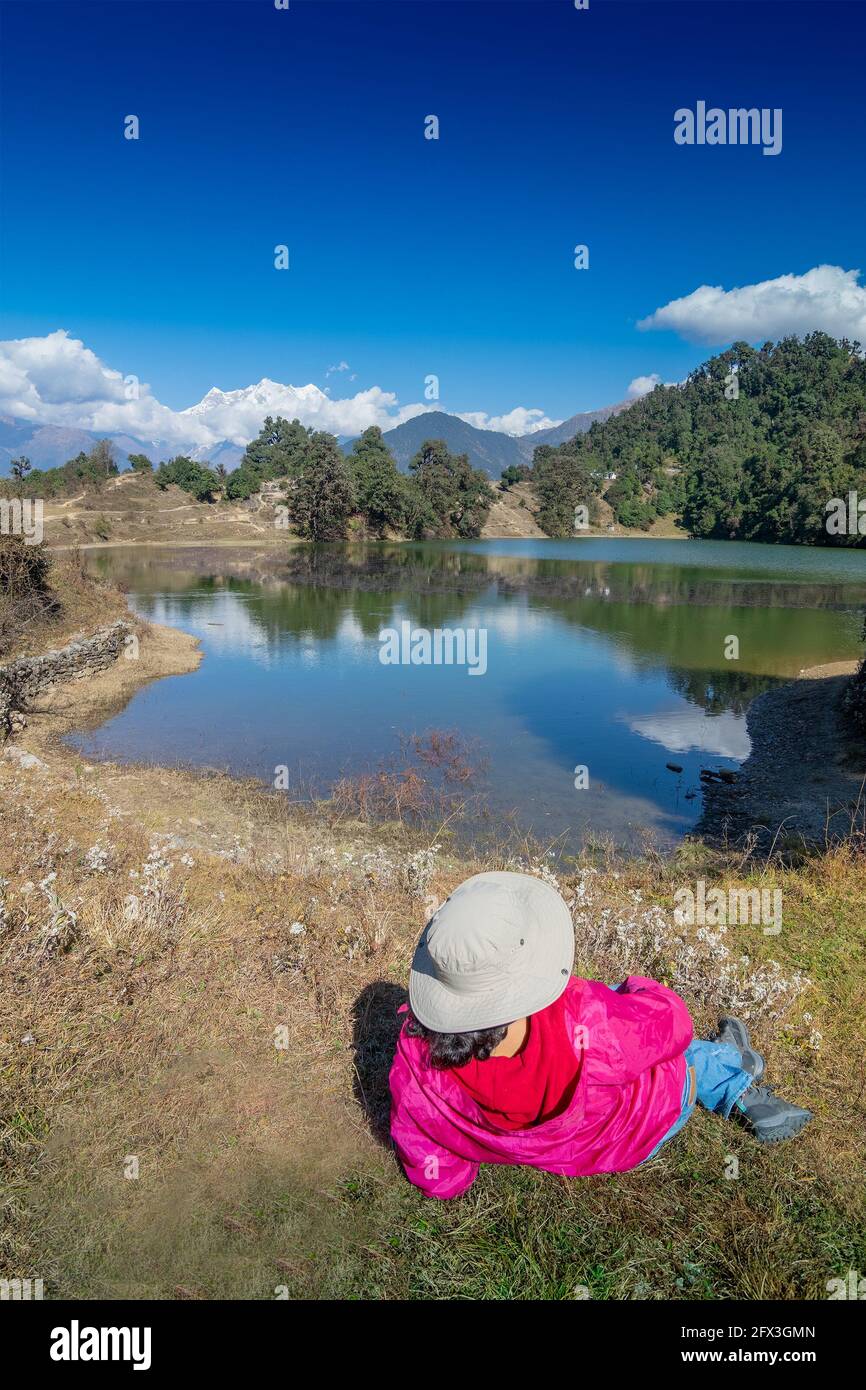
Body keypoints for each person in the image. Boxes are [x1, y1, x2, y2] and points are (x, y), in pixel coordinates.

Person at [389, 871, 811, 1199]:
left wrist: (446, 1180)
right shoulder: (584, 1018)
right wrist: (639, 988)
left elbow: (421, 1142)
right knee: (682, 1055)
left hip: (563, 1147)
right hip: (633, 1136)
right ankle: (733, 1074)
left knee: (618, 1023)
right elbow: (673, 1023)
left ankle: (731, 1062)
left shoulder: (415, 1055)